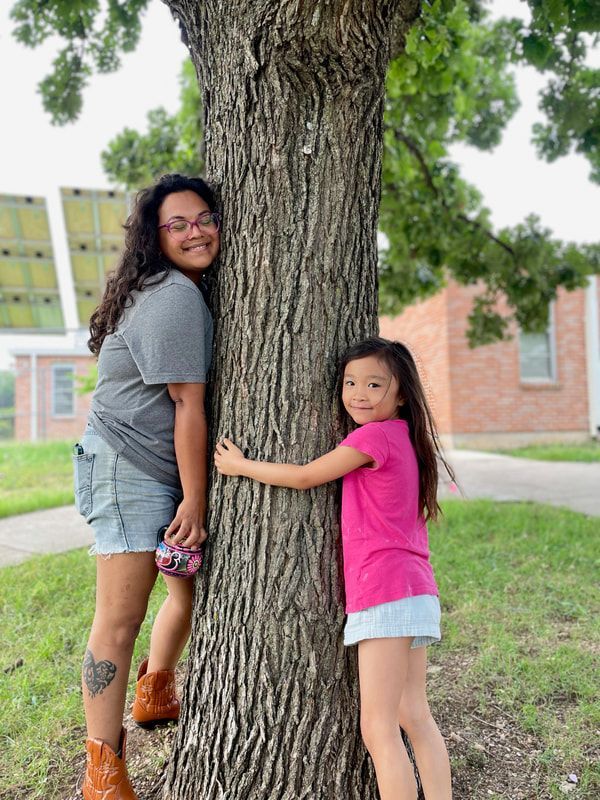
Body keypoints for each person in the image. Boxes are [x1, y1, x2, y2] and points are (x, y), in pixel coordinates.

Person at [214, 337, 453, 800]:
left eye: (374, 384)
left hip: (384, 592)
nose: (358, 393)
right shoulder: (405, 437)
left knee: (378, 728)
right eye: (350, 382)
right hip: (416, 588)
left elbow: (305, 476)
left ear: (402, 392)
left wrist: (242, 466)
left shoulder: (372, 437)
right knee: (414, 715)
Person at [73, 173, 220, 800]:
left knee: (184, 593)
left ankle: (156, 688)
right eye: (177, 224)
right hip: (127, 469)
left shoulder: (178, 290)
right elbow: (188, 405)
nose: (196, 231)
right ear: (154, 239)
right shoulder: (174, 298)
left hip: (148, 465)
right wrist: (195, 497)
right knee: (118, 620)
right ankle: (102, 774)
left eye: (204, 217)